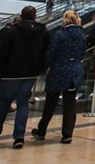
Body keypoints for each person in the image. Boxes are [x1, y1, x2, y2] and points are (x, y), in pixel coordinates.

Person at [0, 5, 50, 149]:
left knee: (4, 104)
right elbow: (46, 51)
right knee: (23, 104)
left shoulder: (11, 31)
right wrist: (41, 68)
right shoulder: (42, 32)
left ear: (21, 15)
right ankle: (19, 136)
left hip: (10, 74)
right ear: (35, 16)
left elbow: (1, 52)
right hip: (31, 73)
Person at [32, 11, 86, 144]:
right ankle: (67, 134)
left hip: (58, 70)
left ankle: (41, 130)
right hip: (74, 71)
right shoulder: (82, 36)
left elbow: (51, 53)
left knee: (50, 103)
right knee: (70, 104)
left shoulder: (60, 35)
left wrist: (44, 66)